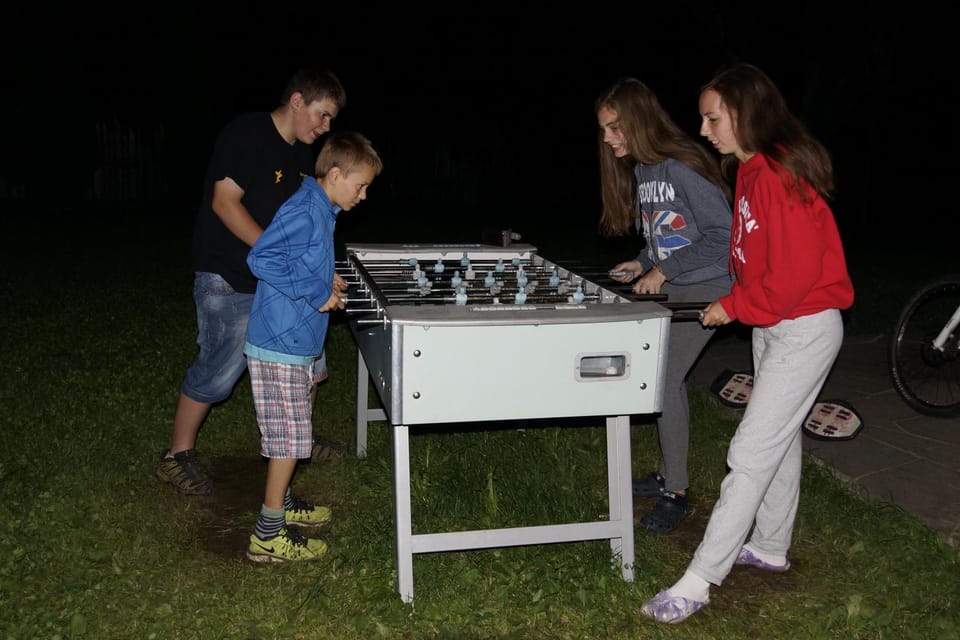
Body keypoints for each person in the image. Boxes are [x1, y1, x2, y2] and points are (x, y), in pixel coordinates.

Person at [640, 62, 854, 623]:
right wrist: (738, 298)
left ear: (745, 112)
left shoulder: (781, 175)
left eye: (714, 119)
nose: (705, 131)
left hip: (804, 329)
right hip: (774, 327)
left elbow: (790, 279)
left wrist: (734, 305)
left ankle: (699, 579)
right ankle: (772, 547)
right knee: (778, 442)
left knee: (749, 453)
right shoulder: (751, 171)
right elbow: (753, 260)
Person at [157, 67, 347, 495]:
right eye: (322, 114)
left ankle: (298, 439)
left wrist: (317, 270)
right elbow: (224, 204)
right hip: (230, 275)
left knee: (311, 365)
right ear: (297, 100)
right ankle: (176, 456)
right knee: (218, 371)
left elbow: (307, 224)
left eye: (331, 119)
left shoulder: (303, 156)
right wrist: (280, 256)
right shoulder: (247, 134)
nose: (326, 126)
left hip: (281, 284)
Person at [596, 78, 733, 533]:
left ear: (639, 121)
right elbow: (667, 237)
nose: (608, 138)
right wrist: (640, 262)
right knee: (656, 378)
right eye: (604, 130)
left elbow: (722, 234)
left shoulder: (681, 167)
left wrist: (663, 272)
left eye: (615, 127)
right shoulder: (643, 171)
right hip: (676, 286)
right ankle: (667, 474)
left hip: (707, 288)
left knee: (665, 378)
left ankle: (676, 490)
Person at [244, 131, 383, 562]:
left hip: (293, 339)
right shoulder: (307, 209)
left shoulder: (323, 209)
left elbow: (301, 258)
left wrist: (328, 280)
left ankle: (282, 504)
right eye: (360, 186)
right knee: (290, 440)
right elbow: (262, 258)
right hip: (279, 341)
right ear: (336, 174)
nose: (363, 196)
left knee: (294, 430)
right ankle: (267, 534)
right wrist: (313, 289)